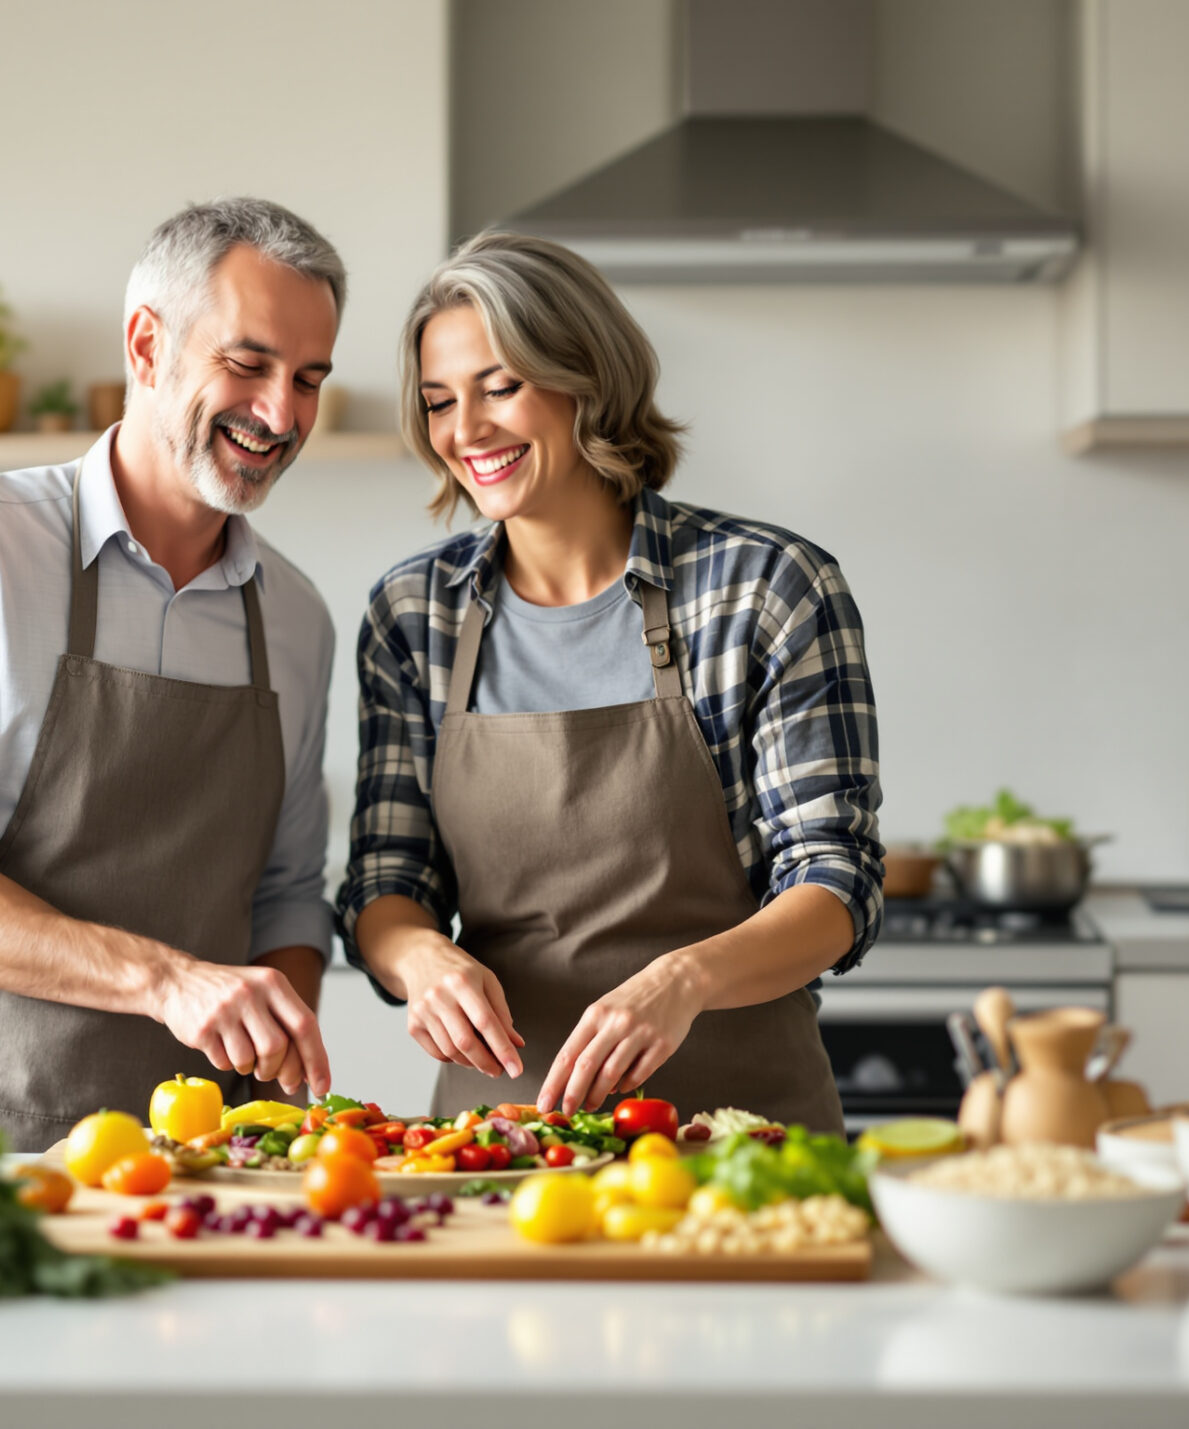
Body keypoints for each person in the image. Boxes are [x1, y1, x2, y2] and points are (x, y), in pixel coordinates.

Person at [338, 232, 884, 1130]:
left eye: (500, 387)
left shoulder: (767, 586)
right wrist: (421, 959)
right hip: (503, 1147)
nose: (464, 430)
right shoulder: (414, 614)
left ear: (586, 377)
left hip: (744, 1139)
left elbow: (834, 881)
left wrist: (686, 978)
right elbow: (386, 882)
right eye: (440, 401)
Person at [0, 198, 344, 1146]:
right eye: (247, 365)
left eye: (308, 378)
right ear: (147, 347)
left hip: (198, 1164)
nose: (281, 414)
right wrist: (163, 980)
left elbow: (285, 892)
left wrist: (280, 1090)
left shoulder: (295, 617)